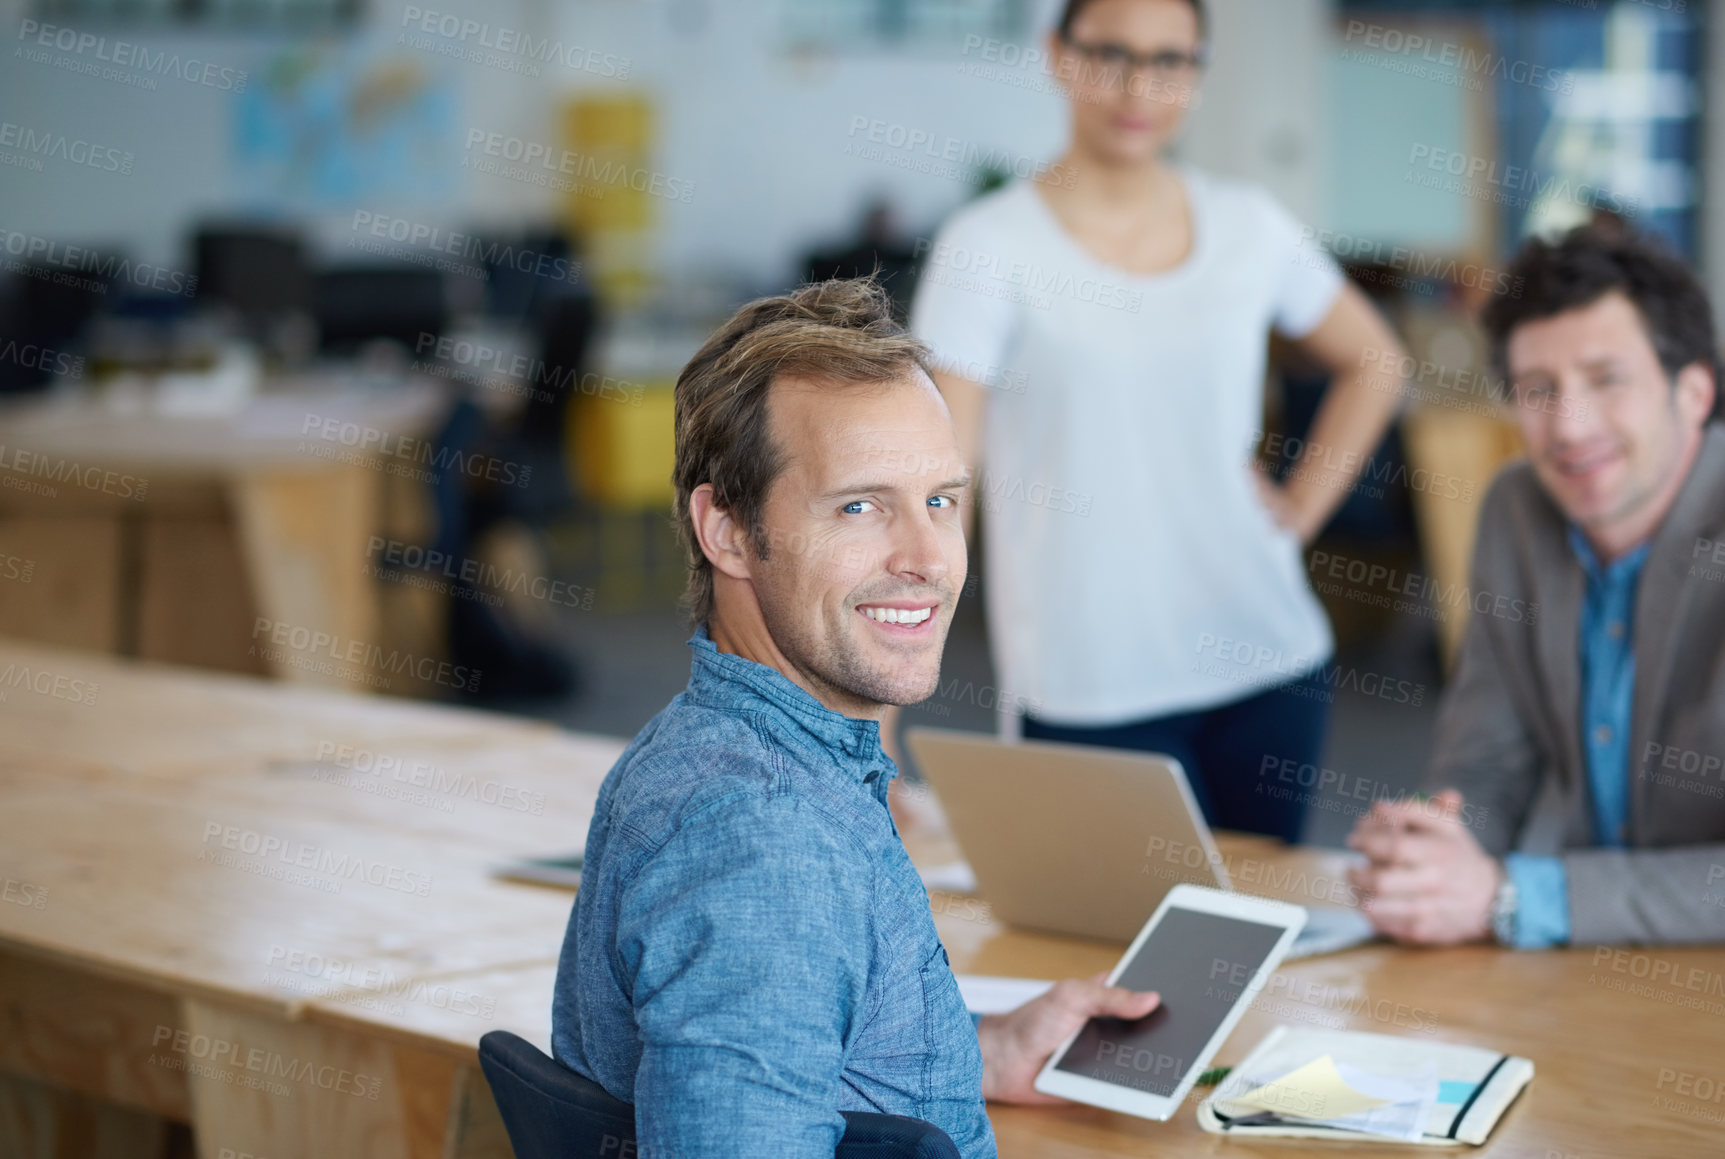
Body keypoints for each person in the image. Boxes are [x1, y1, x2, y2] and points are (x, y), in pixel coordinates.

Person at [550, 279, 1160, 1158]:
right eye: (860, 506)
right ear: (725, 529)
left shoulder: (725, 749)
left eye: (940, 501)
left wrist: (977, 1055)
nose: (926, 559)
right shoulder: (763, 838)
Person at [906, 0, 1408, 842]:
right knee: (1098, 954)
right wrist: (878, 706)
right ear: (1057, 55)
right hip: (1085, 675)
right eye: (1109, 53)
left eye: (1170, 61)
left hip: (1263, 657)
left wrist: (1295, 514)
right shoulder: (988, 246)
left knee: (1242, 951)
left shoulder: (1248, 225)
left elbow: (1376, 361)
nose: (1139, 85)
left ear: (1198, 74)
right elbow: (932, 488)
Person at [1346, 225, 1725, 947]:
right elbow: (1484, 755)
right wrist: (1430, 842)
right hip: (1588, 966)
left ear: (1694, 391)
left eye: (1606, 379)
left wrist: (1513, 896)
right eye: (1536, 389)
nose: (1568, 427)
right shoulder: (1515, 508)